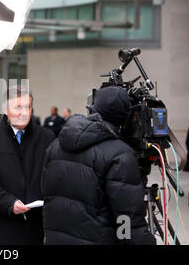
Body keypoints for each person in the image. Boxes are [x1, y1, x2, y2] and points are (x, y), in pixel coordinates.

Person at [42, 86, 155, 245]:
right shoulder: (120, 154)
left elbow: (48, 195)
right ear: (125, 118)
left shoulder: (55, 145)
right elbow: (126, 221)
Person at [0, 86, 56, 245]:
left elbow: (55, 175)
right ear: (5, 109)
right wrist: (9, 203)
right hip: (0, 226)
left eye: (28, 107)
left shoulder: (47, 137)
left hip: (35, 228)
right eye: (18, 107)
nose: (24, 112)